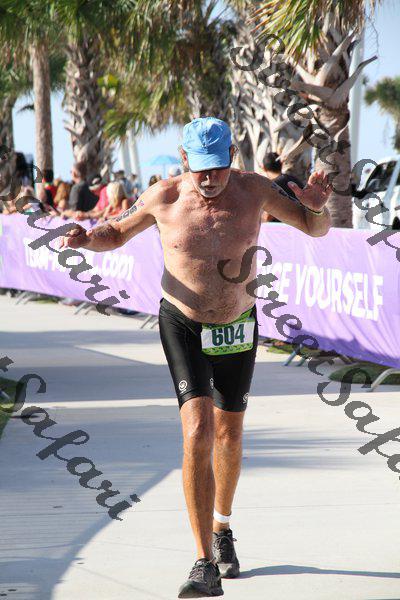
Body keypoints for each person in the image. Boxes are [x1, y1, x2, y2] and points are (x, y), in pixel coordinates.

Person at [60, 117, 332, 598]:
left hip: (237, 323)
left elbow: (315, 229)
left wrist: (318, 207)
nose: (209, 178)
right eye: (200, 167)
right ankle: (204, 560)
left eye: (217, 167)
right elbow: (116, 232)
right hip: (182, 322)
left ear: (232, 157)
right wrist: (87, 238)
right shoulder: (163, 196)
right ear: (184, 160)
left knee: (229, 433)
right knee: (198, 431)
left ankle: (222, 528)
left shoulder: (256, 190)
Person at [259, 151, 304, 223]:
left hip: (280, 228)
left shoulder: (270, 187)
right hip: (299, 226)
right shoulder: (294, 180)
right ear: (281, 164)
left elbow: (267, 217)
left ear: (263, 168)